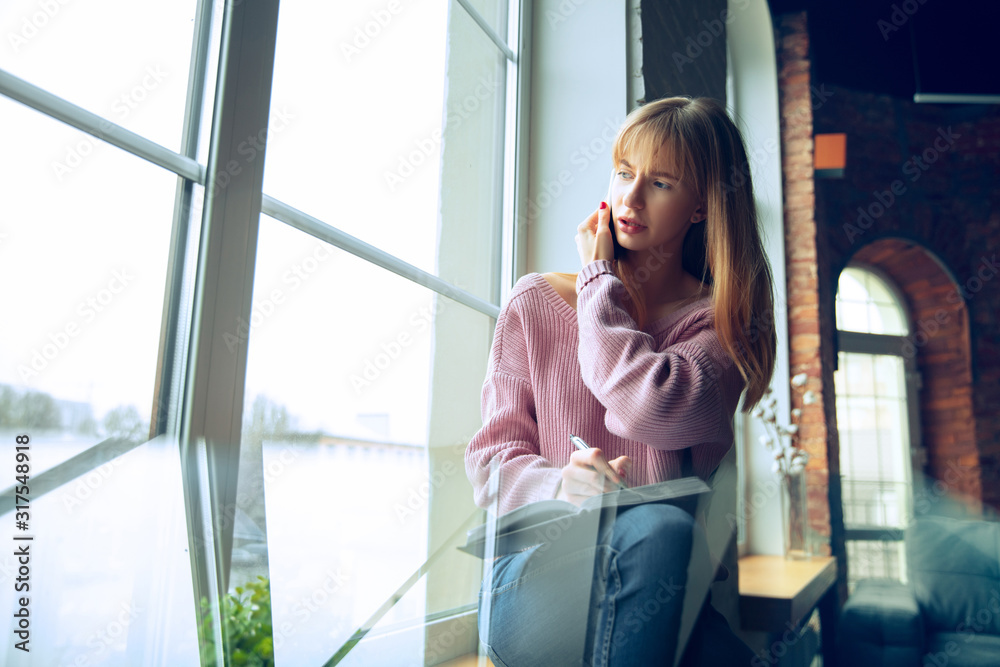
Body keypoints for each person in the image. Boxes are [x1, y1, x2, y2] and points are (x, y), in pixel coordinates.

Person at [465, 96, 776, 666]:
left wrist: (597, 286)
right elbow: (491, 461)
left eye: (659, 183)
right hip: (535, 580)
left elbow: (644, 407)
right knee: (660, 529)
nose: (629, 199)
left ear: (701, 207)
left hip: (659, 587)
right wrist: (560, 483)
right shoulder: (534, 301)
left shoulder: (720, 329)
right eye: (624, 173)